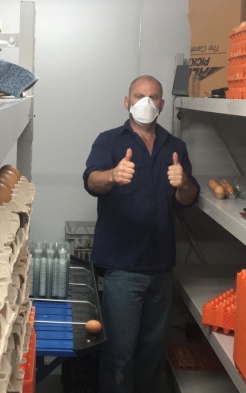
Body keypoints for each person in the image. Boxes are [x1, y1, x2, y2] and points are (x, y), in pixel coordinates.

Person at [83, 75, 200, 392]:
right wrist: (112, 174)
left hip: (161, 266)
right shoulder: (109, 141)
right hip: (123, 267)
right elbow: (92, 181)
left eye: (153, 97)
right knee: (120, 353)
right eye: (139, 96)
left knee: (151, 351)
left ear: (161, 104)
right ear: (127, 102)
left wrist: (183, 183)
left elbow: (188, 200)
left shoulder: (175, 147)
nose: (145, 102)